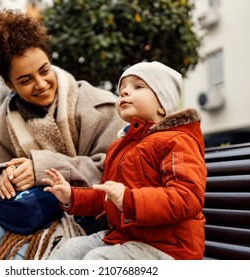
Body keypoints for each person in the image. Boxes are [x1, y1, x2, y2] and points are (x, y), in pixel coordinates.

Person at [0, 9, 126, 260]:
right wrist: (6, 176)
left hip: (88, 217)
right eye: (26, 80)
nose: (40, 84)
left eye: (44, 70)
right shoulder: (4, 118)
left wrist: (40, 170)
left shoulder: (102, 107)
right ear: (10, 85)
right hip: (29, 213)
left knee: (20, 254)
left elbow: (111, 171)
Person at [43, 61, 207, 260]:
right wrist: (71, 196)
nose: (125, 92)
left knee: (97, 261)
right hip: (126, 237)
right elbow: (106, 197)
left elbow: (187, 197)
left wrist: (129, 200)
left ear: (163, 105)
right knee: (70, 250)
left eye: (138, 86)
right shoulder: (120, 147)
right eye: (122, 89)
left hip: (169, 248)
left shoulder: (176, 141)